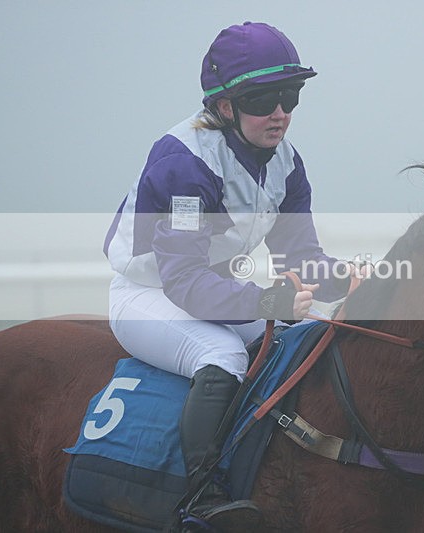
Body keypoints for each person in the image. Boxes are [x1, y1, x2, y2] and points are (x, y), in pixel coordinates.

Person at [103, 21, 352, 529]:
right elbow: (185, 284)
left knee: (306, 336)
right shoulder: (185, 164)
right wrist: (267, 303)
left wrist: (352, 280)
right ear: (224, 107)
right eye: (264, 99)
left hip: (206, 286)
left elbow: (301, 259)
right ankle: (201, 494)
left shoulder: (286, 163)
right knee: (220, 353)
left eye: (291, 95)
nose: (281, 112)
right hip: (150, 294)